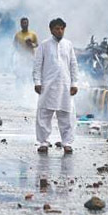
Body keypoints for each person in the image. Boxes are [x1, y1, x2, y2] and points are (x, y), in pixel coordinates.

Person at [33, 18, 78, 155]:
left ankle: (67, 143)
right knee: (44, 114)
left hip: (65, 86)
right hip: (48, 86)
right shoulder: (44, 45)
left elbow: (73, 65)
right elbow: (37, 65)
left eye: (62, 28)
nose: (60, 31)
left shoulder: (68, 45)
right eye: (57, 28)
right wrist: (37, 82)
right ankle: (43, 142)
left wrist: (74, 83)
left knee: (66, 114)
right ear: (51, 30)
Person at [12, 17, 38, 85]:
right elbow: (14, 44)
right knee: (20, 74)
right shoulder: (18, 35)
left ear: (28, 24)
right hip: (21, 57)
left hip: (30, 57)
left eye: (26, 23)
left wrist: (31, 44)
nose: (24, 24)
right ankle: (19, 89)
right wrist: (19, 50)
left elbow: (36, 44)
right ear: (20, 24)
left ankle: (30, 88)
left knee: (30, 74)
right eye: (23, 23)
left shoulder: (32, 34)